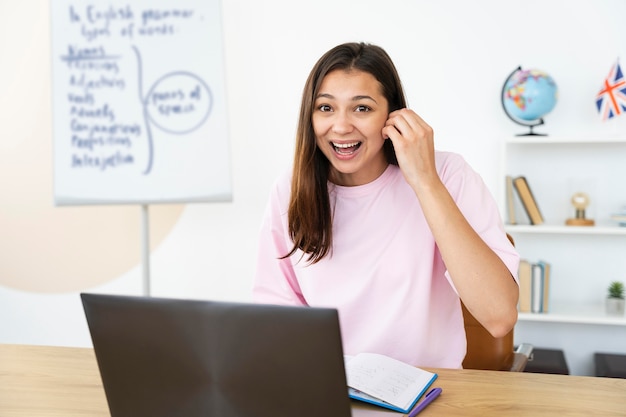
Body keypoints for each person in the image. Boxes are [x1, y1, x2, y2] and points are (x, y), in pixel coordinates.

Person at [252, 42, 519, 369]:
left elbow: (499, 316)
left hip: (430, 389)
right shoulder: (290, 189)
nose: (340, 126)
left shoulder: (448, 175)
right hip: (332, 387)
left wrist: (424, 180)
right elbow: (275, 315)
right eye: (325, 108)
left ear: (393, 116)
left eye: (361, 108)